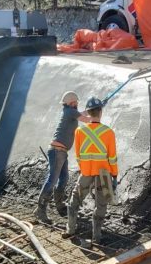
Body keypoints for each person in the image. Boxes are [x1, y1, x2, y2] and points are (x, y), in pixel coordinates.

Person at [65, 96, 117, 248]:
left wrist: (85, 168)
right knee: (101, 204)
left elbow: (78, 155)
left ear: (88, 113)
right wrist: (114, 174)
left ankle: (71, 229)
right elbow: (112, 157)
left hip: (86, 172)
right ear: (100, 112)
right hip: (104, 173)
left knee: (75, 200)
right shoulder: (108, 132)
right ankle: (97, 237)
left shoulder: (79, 131)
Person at [36, 91, 90, 223]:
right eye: (76, 102)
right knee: (52, 180)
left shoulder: (70, 112)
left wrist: (93, 108)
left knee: (64, 179)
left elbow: (83, 114)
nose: (77, 103)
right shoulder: (70, 111)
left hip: (62, 151)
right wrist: (96, 111)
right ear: (71, 102)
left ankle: (59, 205)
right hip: (57, 151)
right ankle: (40, 210)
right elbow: (86, 119)